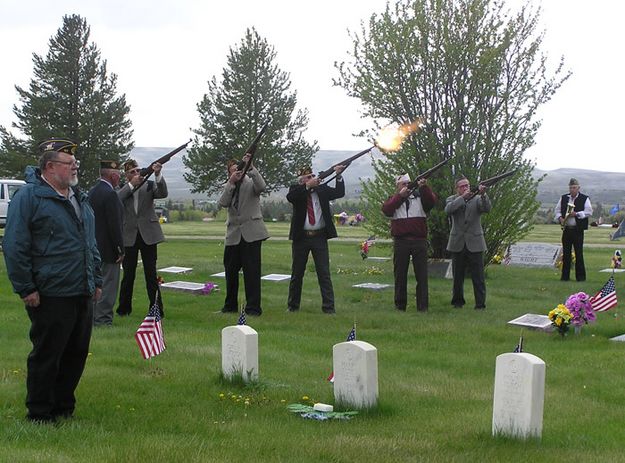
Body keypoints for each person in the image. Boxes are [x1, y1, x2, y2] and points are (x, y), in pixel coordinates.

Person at [3, 138, 102, 423]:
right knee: (48, 353)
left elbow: (89, 244)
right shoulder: (29, 198)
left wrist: (95, 280)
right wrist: (26, 287)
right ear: (49, 167)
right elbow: (15, 245)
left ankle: (63, 407)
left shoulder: (78, 198)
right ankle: (39, 413)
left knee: (76, 352)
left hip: (80, 289)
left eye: (75, 164)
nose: (74, 168)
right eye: (68, 163)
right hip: (50, 291)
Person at [286, 164, 345, 314]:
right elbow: (291, 197)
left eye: (313, 176)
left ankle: (329, 308)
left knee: (324, 273)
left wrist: (338, 175)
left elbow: (339, 192)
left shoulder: (322, 189)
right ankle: (293, 306)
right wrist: (307, 187)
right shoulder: (296, 190)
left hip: (319, 236)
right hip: (301, 237)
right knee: (297, 273)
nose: (312, 179)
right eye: (308, 177)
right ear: (302, 180)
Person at [217, 153, 269, 316]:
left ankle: (253, 308)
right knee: (230, 272)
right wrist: (231, 182)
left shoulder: (250, 183)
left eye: (239, 169)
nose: (237, 172)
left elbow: (262, 187)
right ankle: (230, 305)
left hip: (251, 233)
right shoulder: (228, 185)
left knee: (252, 272)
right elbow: (223, 203)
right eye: (233, 170)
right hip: (233, 234)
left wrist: (251, 167)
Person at [116, 159, 168, 317]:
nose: (136, 174)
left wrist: (158, 174)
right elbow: (117, 199)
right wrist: (132, 184)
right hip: (129, 235)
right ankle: (124, 308)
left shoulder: (150, 185)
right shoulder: (122, 188)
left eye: (138, 171)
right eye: (132, 172)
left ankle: (156, 309)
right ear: (126, 175)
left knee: (150, 273)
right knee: (128, 274)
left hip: (148, 234)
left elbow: (163, 193)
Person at [382, 174, 437, 312]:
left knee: (422, 276)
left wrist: (424, 187)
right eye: (403, 184)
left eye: (408, 183)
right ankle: (400, 306)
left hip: (419, 241)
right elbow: (386, 210)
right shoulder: (394, 200)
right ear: (398, 186)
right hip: (401, 242)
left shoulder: (420, 197)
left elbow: (431, 202)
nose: (406, 186)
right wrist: (400, 196)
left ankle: (422, 306)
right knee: (400, 275)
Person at [445, 176, 491, 310]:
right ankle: (457, 302)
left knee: (478, 277)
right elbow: (448, 210)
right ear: (457, 188)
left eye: (467, 185)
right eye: (462, 186)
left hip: (475, 242)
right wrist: (463, 198)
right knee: (457, 277)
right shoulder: (452, 199)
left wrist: (483, 195)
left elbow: (486, 208)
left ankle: (480, 304)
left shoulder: (477, 199)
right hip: (457, 242)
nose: (466, 188)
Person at [88, 160, 124, 326]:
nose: (119, 179)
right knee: (108, 285)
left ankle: (92, 316)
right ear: (112, 176)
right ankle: (103, 319)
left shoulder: (92, 191)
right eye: (118, 175)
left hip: (93, 246)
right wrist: (120, 249)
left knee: (94, 284)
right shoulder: (110, 194)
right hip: (109, 248)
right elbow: (114, 224)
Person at [554, 178, 592, 281]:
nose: (572, 190)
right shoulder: (564, 198)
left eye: (574, 188)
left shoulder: (584, 198)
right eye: (570, 188)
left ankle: (580, 278)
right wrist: (560, 218)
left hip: (577, 230)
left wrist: (576, 214)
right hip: (567, 229)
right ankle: (565, 277)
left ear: (578, 188)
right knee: (566, 253)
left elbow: (589, 212)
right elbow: (557, 210)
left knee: (579, 253)